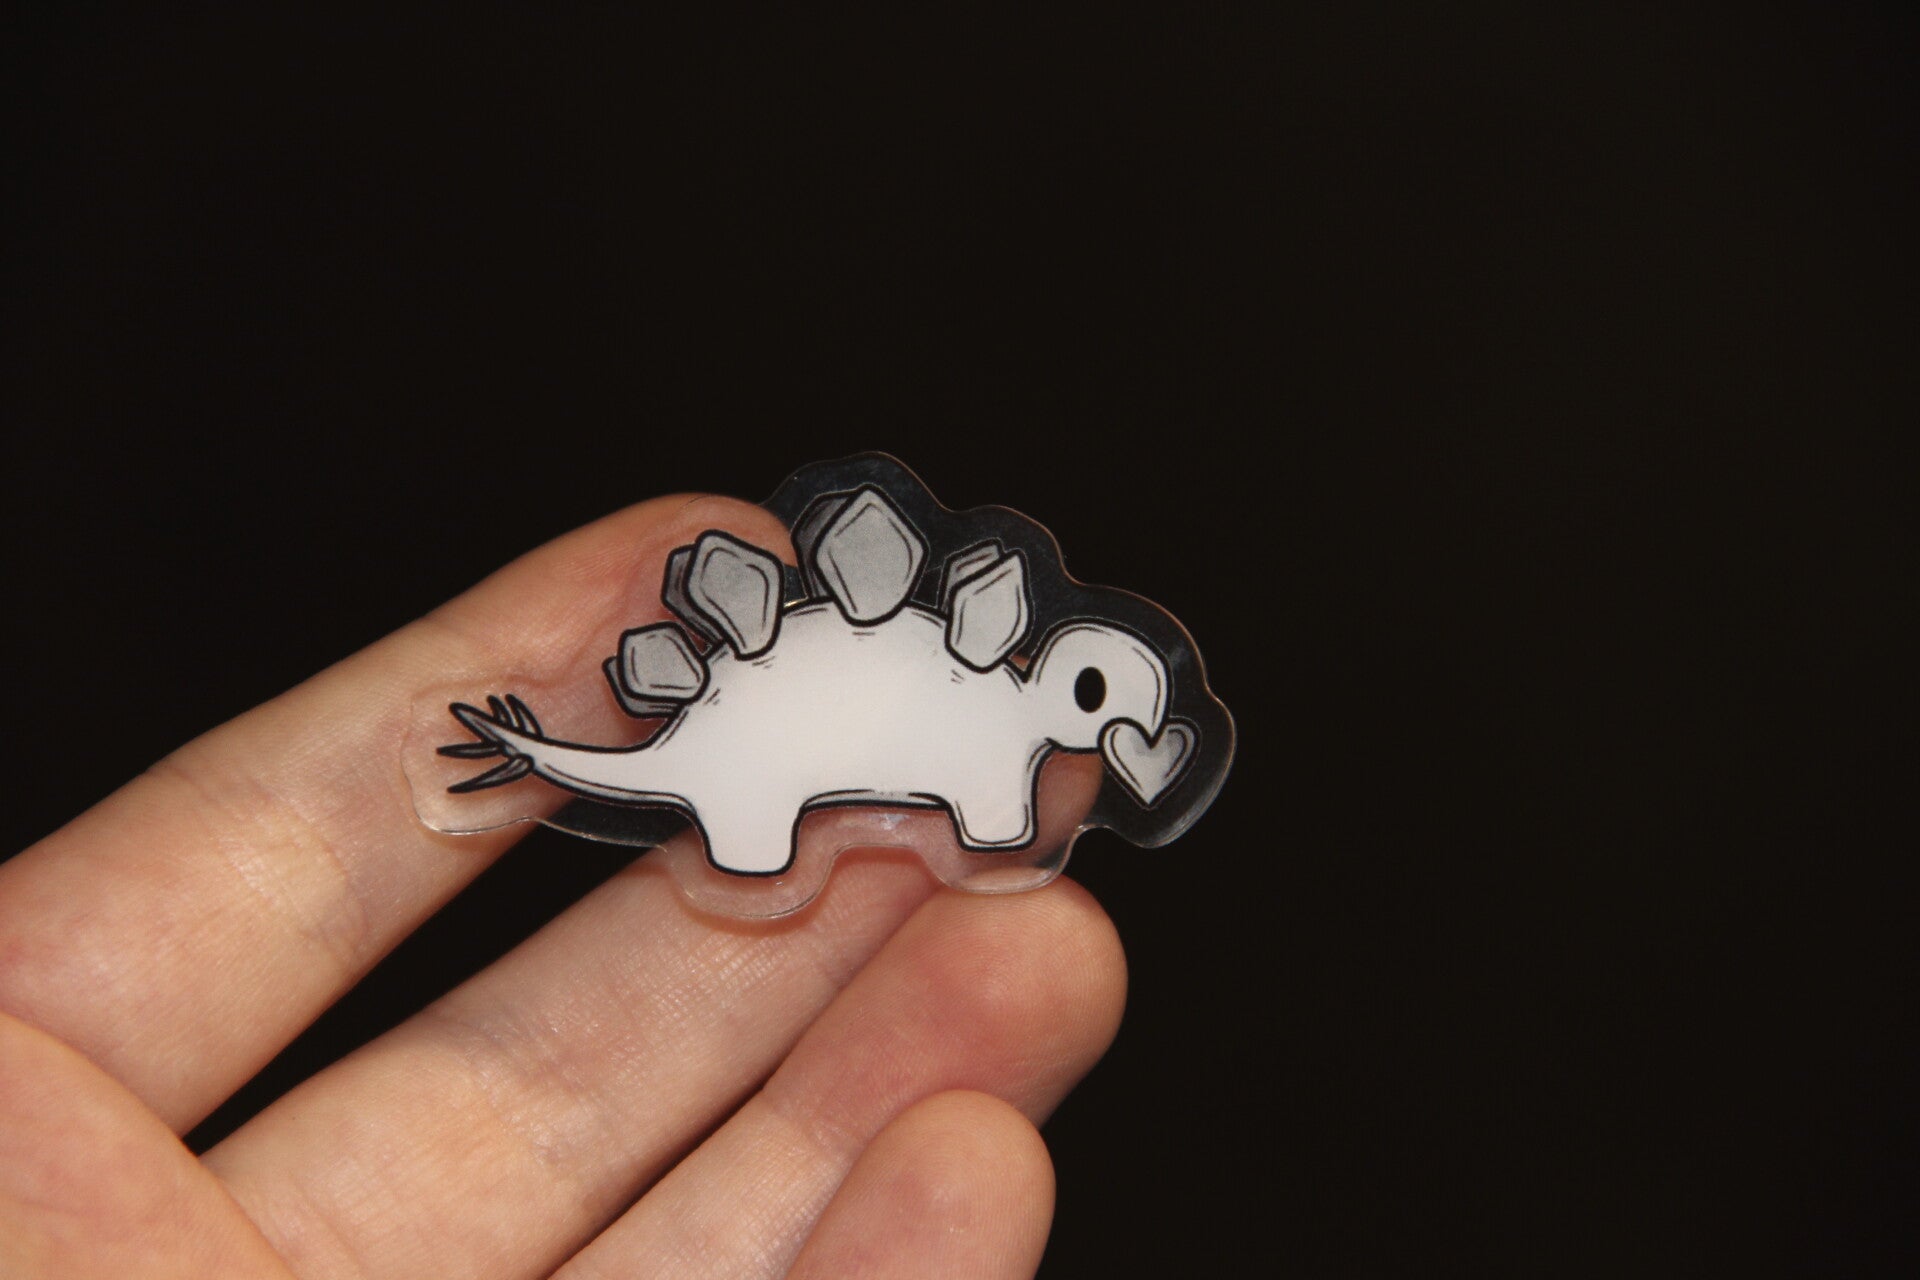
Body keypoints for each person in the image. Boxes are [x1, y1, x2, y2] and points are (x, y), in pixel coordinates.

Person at [0, 494, 1128, 1279]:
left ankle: (582, 767)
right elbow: (992, 810)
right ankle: (575, 764)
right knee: (760, 827)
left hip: (770, 744)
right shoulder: (994, 750)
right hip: (753, 748)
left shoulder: (989, 734)